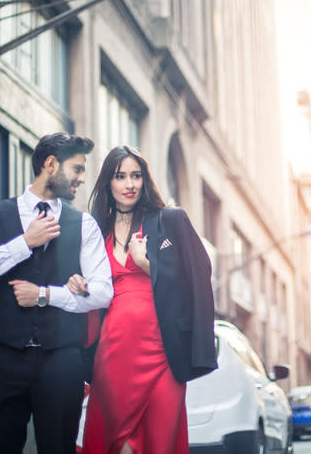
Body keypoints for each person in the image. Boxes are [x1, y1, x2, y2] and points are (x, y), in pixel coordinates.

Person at [0, 132, 113, 454]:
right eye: (77, 169)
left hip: (62, 362)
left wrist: (45, 294)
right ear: (51, 164)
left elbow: (102, 293)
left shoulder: (84, 224)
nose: (82, 178)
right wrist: (23, 244)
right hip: (3, 359)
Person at [80, 145, 218, 454]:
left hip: (163, 354)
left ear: (145, 180)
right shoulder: (94, 232)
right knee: (118, 446)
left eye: (136, 175)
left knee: (158, 443)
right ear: (107, 182)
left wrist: (149, 267)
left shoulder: (171, 221)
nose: (129, 184)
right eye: (120, 176)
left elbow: (197, 280)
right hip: (112, 357)